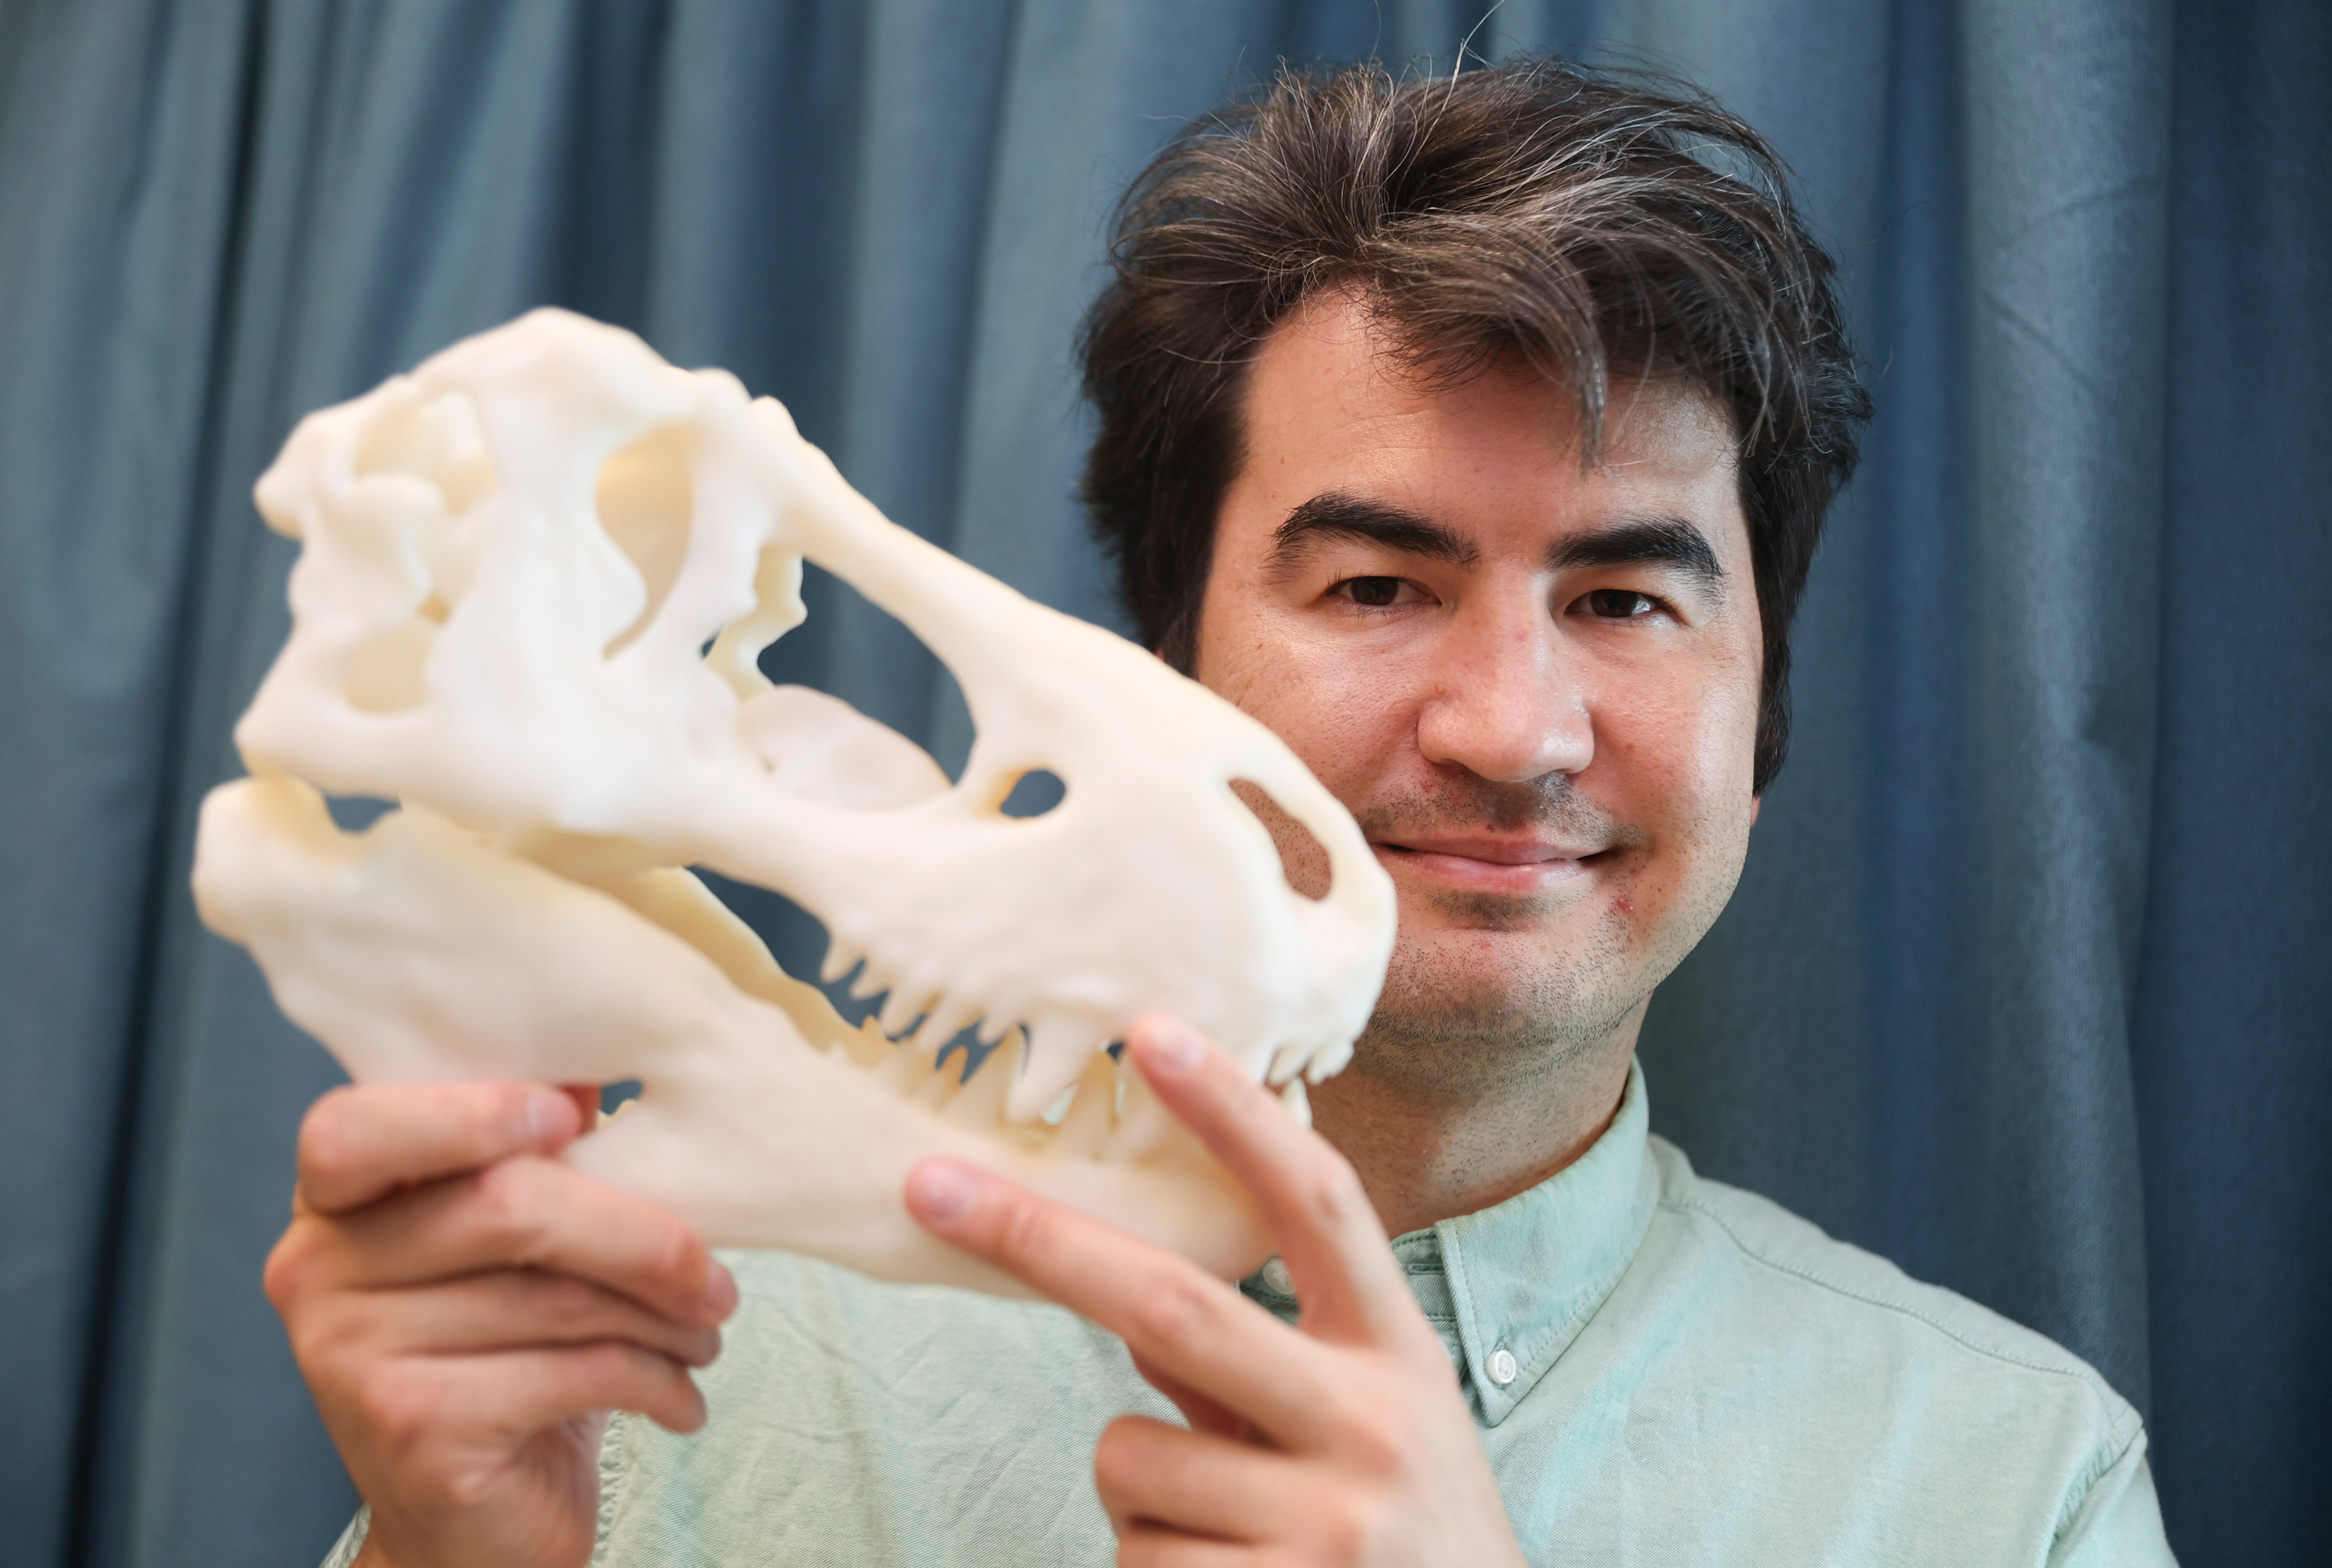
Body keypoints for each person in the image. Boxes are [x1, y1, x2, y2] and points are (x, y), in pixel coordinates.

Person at [272, 58, 2175, 1566]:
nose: (1516, 731)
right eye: (1374, 587)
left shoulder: (2023, 1492)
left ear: (1766, 699)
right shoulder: (651, 1363)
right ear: (1170, 661)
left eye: (1624, 600)